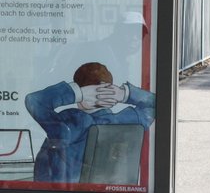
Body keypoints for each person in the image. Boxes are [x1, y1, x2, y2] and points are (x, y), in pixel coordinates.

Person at [24, 61, 155, 183]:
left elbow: (34, 101)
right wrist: (124, 94)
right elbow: (156, 104)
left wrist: (76, 93)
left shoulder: (68, 125)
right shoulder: (125, 122)